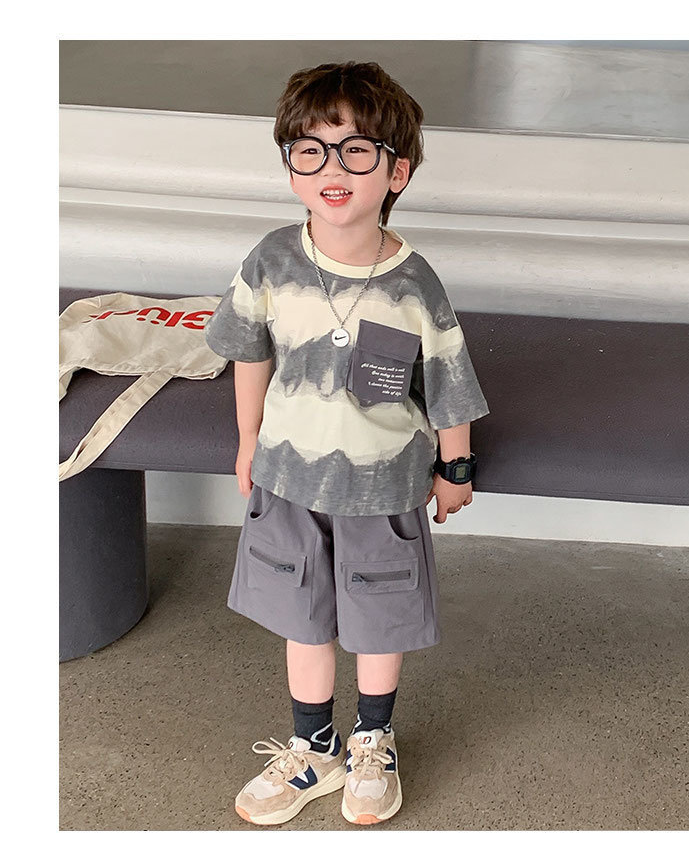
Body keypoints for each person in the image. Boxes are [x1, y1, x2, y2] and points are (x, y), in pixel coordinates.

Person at [204, 61, 489, 827]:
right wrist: (248, 439)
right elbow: (249, 351)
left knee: (378, 613)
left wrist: (455, 465)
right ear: (290, 165)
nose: (332, 169)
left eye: (356, 150)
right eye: (311, 150)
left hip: (383, 487)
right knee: (302, 613)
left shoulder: (415, 283)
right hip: (288, 479)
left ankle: (372, 739)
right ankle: (315, 747)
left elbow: (449, 383)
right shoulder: (270, 259)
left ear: (398, 171)